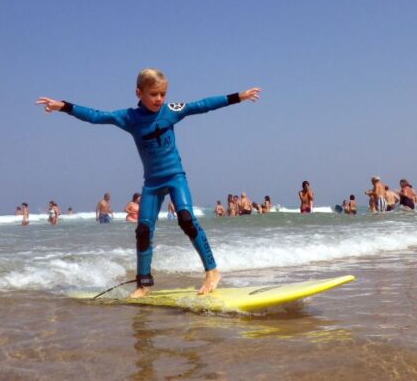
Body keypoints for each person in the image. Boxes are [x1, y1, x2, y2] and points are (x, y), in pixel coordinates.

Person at [36, 67, 260, 298]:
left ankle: (212, 271)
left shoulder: (170, 111)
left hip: (175, 177)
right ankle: (143, 284)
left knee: (186, 218)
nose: (159, 99)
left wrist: (238, 97)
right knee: (143, 230)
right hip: (151, 183)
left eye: (162, 94)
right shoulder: (129, 118)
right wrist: (63, 106)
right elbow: (96, 116)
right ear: (138, 93)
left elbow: (202, 105)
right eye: (153, 94)